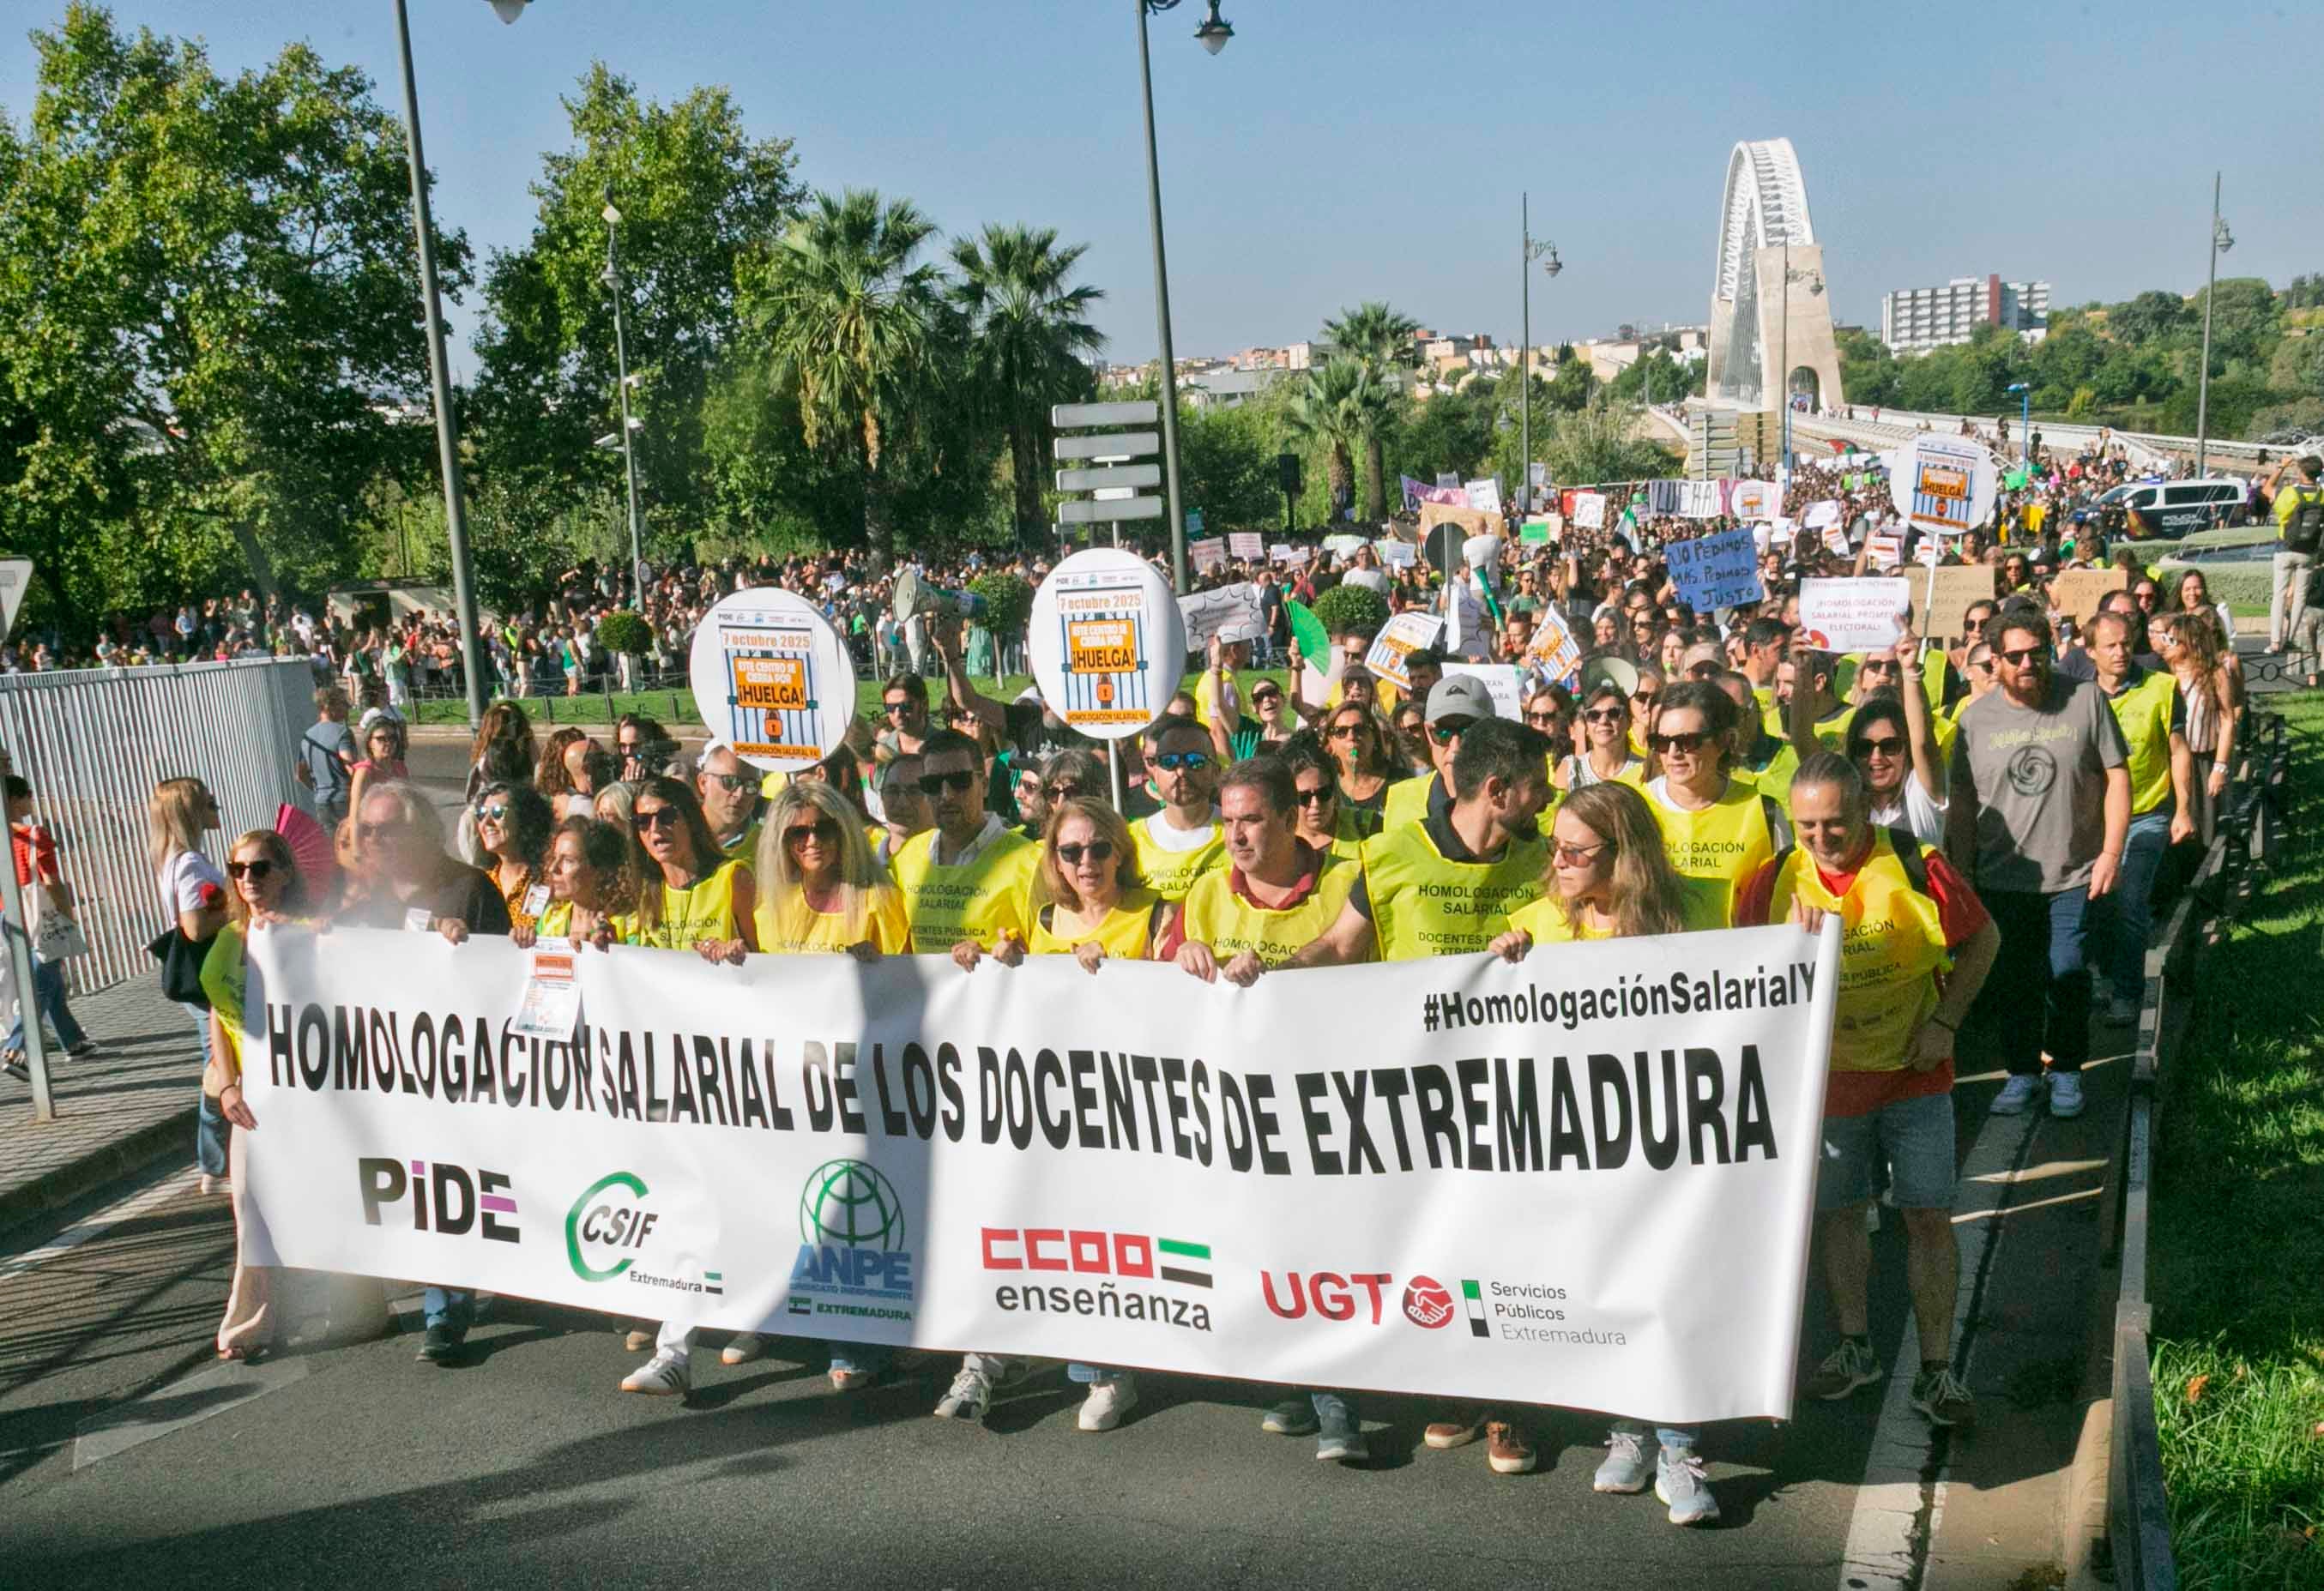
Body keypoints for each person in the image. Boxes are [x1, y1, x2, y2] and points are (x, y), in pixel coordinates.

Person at [1271, 717, 1553, 1478]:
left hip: (1510, 1094)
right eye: (1536, 784)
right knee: (1440, 1242)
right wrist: (1264, 978)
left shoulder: (1543, 859)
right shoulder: (1391, 853)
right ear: (1497, 790)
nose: (1548, 796)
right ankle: (1458, 1387)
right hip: (1414, 1092)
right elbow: (1338, 945)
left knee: (1506, 1246)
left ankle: (1508, 1404)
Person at [1737, 753, 1999, 1435]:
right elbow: (1734, 979)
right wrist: (1782, 955)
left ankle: (1937, 1368)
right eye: (1807, 826)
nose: (1822, 839)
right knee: (1840, 1214)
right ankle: (1855, 1346)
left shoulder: (1913, 862)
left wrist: (1945, 1023)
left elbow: (1983, 941)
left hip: (1914, 1077)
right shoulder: (1770, 880)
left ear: (1866, 811)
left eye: (1836, 823)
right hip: (1826, 1089)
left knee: (1926, 1217)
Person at [1484, 779, 1723, 1522]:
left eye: (1576, 851)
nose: (1557, 861)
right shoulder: (1537, 924)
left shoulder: (1698, 913)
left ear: (1625, 855)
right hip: (1581, 1150)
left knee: (1671, 1288)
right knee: (1609, 1285)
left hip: (1671, 1142)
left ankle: (1680, 1447)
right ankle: (1626, 1429)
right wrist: (1502, 958)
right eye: (1553, 847)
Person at [932, 796, 1165, 1434]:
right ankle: (985, 1358)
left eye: (1098, 848)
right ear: (1053, 857)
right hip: (1047, 1108)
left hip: (1125, 1110)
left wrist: (1114, 974)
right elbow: (1014, 991)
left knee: (1106, 1245)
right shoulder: (1038, 919)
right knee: (1022, 1229)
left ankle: (1108, 1373)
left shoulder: (1151, 913)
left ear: (1120, 848)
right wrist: (977, 960)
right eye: (1070, 850)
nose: (1085, 861)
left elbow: (1173, 1000)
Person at [1169, 755, 1369, 1462]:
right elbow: (1166, 994)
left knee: (1328, 1253)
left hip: (1331, 1103)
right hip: (1241, 1112)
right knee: (1266, 1248)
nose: (1236, 836)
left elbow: (1357, 954)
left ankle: (1338, 1401)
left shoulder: (1346, 880)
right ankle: (1292, 1378)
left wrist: (1280, 974)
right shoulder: (1203, 891)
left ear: (1291, 817)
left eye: (1251, 818)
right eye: (1226, 821)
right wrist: (1187, 952)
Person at [728, 780, 911, 1385]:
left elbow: (908, 993)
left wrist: (876, 972)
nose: (812, 842)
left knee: (850, 1210)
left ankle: (854, 1340)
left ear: (845, 831)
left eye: (823, 829)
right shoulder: (770, 907)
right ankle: (774, 1317)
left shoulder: (879, 898)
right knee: (794, 1207)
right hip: (794, 1086)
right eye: (797, 832)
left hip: (864, 1083)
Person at [335, 780, 512, 1361]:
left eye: (387, 828)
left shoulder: (469, 888)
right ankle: (434, 1299)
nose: (375, 839)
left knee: (455, 1183)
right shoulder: (359, 896)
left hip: (460, 1071)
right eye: (367, 830)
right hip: (389, 1070)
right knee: (413, 1185)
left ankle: (454, 1298)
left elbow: (505, 975)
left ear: (421, 830)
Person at [1947, 606, 2128, 1120]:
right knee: (2015, 979)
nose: (2028, 664)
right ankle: (2023, 1072)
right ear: (1995, 662)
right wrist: (1962, 868)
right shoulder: (1975, 720)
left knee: (2067, 971)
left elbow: (2117, 776)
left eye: (2037, 653)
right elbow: (1961, 800)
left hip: (2075, 871)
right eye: (2015, 656)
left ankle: (2068, 1069)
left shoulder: (2086, 700)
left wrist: (2111, 852)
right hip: (2004, 877)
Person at [613, 777, 759, 1397]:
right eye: (643, 822)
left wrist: (743, 952)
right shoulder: (640, 895)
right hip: (663, 1082)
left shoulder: (733, 879)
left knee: (730, 1205)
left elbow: (773, 963)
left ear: (691, 816)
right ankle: (682, 1341)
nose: (655, 829)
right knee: (686, 1209)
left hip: (733, 1075)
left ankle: (730, 1318)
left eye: (667, 815)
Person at [203, 829, 319, 1361]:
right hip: (249, 1092)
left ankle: (359, 1303)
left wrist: (303, 936)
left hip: (307, 1087)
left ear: (285, 872)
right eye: (238, 869)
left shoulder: (311, 930)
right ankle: (248, 1323)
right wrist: (226, 1083)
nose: (248, 878)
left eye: (261, 868)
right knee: (250, 1207)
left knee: (331, 1197)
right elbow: (217, 1015)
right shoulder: (230, 935)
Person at [2086, 609, 2194, 1021]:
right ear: (2090, 651)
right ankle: (2099, 972)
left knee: (2131, 900)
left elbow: (2178, 750)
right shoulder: (2081, 697)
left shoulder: (2163, 688)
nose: (2120, 652)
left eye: (2126, 643)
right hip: (2095, 820)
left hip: (2147, 813)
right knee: (2095, 899)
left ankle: (2128, 993)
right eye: (2110, 646)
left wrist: (2183, 808)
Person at [1640, 682, 1790, 922]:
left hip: (1739, 954)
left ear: (1725, 741)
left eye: (1688, 741)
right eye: (1661, 742)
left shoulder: (1764, 811)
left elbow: (1787, 898)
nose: (1673, 753)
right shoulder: (1634, 808)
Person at [888, 728, 1040, 955]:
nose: (946, 794)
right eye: (933, 783)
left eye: (960, 781)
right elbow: (897, 950)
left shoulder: (1030, 862)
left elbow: (1053, 957)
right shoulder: (906, 857)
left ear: (985, 784)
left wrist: (1015, 953)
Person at [148, 777, 230, 1188]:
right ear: (191, 811)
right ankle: (213, 1164)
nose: (218, 805)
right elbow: (195, 927)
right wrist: (236, 911)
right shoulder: (190, 863)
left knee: (218, 1061)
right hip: (208, 974)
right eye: (209, 801)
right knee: (217, 1066)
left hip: (203, 976)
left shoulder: (174, 859)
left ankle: (217, 1161)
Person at [3, 774, 94, 1070]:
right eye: (28, 794)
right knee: (42, 981)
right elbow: (52, 883)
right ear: (15, 800)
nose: (32, 798)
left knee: (50, 976)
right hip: (39, 916)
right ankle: (16, 1048)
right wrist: (68, 915)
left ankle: (74, 1041)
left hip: (8, 917)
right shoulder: (34, 835)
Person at [2151, 609, 2241, 845]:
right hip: (2168, 759)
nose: (2165, 644)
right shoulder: (2161, 673)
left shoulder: (2215, 674)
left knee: (2203, 825)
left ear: (2190, 643)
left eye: (2172, 639)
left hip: (2202, 759)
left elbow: (2227, 719)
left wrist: (2220, 767)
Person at [1381, 674, 1497, 831]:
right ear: (1428, 733)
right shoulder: (1401, 798)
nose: (1455, 746)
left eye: (1470, 732)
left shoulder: (1513, 801)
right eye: (1443, 732)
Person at [1127, 717, 1225, 902]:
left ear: (1216, 771)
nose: (1181, 771)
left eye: (1195, 761)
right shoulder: (1130, 842)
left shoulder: (1241, 833)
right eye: (1168, 761)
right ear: (1153, 771)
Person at [510, 816, 630, 948]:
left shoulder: (630, 925)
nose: (553, 868)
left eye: (568, 860)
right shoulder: (550, 918)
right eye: (554, 857)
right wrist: (521, 940)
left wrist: (614, 947)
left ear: (599, 870)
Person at [472, 781, 556, 933]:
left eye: (497, 812)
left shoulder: (550, 880)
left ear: (524, 817)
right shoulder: (481, 882)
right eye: (481, 814)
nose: (486, 823)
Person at [2262, 455, 2322, 660]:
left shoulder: (2289, 493)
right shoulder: (2322, 495)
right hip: (2309, 552)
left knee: (2279, 595)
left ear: (2301, 472)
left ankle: (2275, 641)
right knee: (2300, 598)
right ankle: (2291, 639)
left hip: (2285, 547)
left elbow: (2267, 488)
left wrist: (2282, 466)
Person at [1280, 730, 1373, 859]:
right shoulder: (1279, 843)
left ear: (1334, 790)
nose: (1315, 804)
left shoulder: (1367, 826)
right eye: (1304, 797)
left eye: (1324, 793)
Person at [1321, 703, 1401, 824]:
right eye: (1341, 732)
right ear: (1331, 743)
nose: (1352, 737)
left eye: (1360, 729)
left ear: (1374, 736)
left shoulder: (1401, 781)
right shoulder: (1325, 791)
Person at [296, 686, 358, 833]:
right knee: (352, 842)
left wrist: (319, 790)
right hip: (345, 799)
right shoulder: (342, 732)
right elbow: (350, 767)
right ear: (330, 706)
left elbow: (299, 774)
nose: (348, 708)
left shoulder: (308, 736)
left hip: (322, 802)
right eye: (344, 704)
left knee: (332, 846)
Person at [1566, 680, 1645, 789]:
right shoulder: (1571, 770)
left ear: (1629, 721)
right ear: (1586, 727)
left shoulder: (1645, 770)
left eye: (1613, 713)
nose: (1603, 721)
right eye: (1594, 715)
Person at [696, 740, 764, 860]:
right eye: (729, 781)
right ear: (703, 782)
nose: (740, 794)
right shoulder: (678, 835)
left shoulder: (768, 843)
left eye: (751, 786)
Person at [347, 717, 408, 823]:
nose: (388, 743)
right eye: (381, 739)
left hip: (398, 831)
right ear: (369, 743)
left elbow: (408, 803)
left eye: (392, 738)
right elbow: (355, 818)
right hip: (374, 833)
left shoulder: (400, 767)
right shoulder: (364, 772)